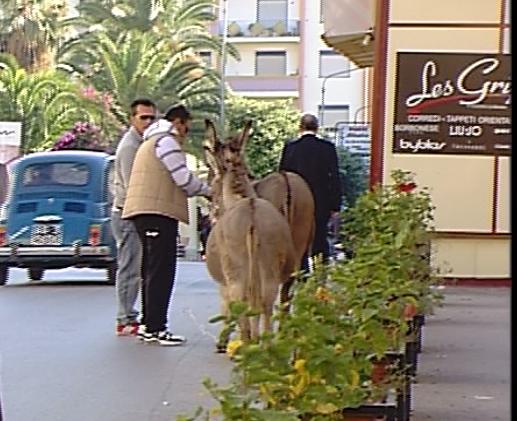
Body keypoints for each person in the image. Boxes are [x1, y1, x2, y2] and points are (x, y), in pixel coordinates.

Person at [122, 104, 211, 346]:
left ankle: (149, 325)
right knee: (162, 271)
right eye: (186, 127)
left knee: (151, 270)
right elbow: (184, 179)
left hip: (146, 211)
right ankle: (156, 328)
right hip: (156, 212)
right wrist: (211, 192)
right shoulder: (167, 141)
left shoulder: (151, 140)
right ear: (178, 122)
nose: (185, 134)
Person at [112, 98, 157, 336]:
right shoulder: (131, 146)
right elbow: (134, 186)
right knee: (130, 267)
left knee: (138, 267)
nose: (148, 122)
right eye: (144, 117)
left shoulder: (143, 143)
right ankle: (125, 317)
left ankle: (130, 315)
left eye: (152, 117)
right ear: (133, 119)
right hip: (127, 213)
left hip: (133, 212)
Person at [279, 113, 342, 267]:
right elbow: (334, 176)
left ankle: (302, 272)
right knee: (320, 235)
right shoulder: (327, 148)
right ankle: (320, 272)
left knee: (299, 235)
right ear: (317, 128)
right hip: (321, 200)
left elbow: (283, 177)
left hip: (297, 201)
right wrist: (335, 205)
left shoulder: (291, 148)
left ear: (300, 127)